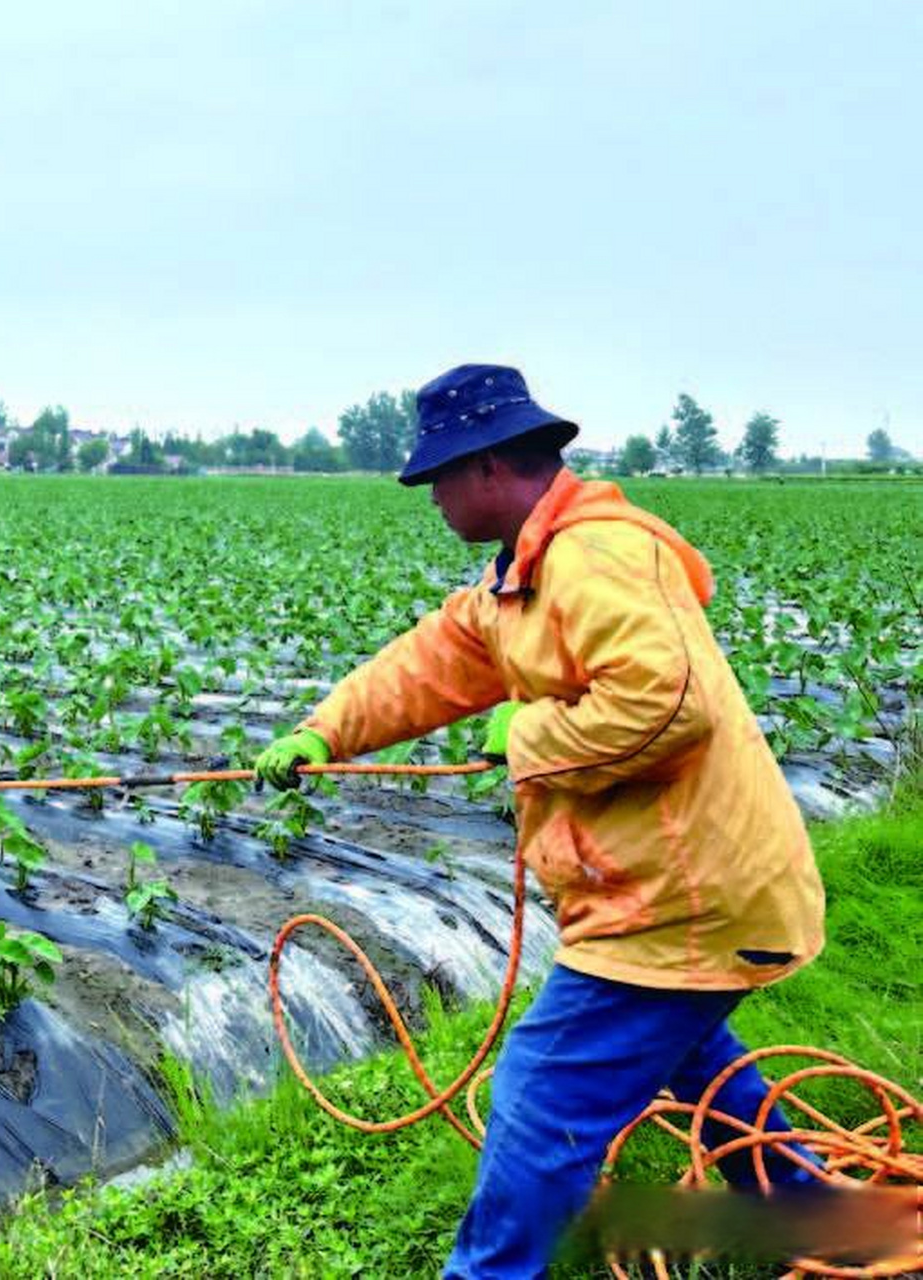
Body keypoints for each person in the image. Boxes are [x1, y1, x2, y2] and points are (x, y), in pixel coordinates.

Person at [252, 363, 827, 1278]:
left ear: (487, 467)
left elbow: (667, 700)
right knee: (698, 1063)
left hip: (682, 897)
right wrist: (323, 732)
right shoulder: (524, 574)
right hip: (668, 889)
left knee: (539, 1089)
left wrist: (529, 731)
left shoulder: (593, 557)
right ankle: (814, 1213)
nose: (432, 495)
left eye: (439, 475)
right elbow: (429, 663)